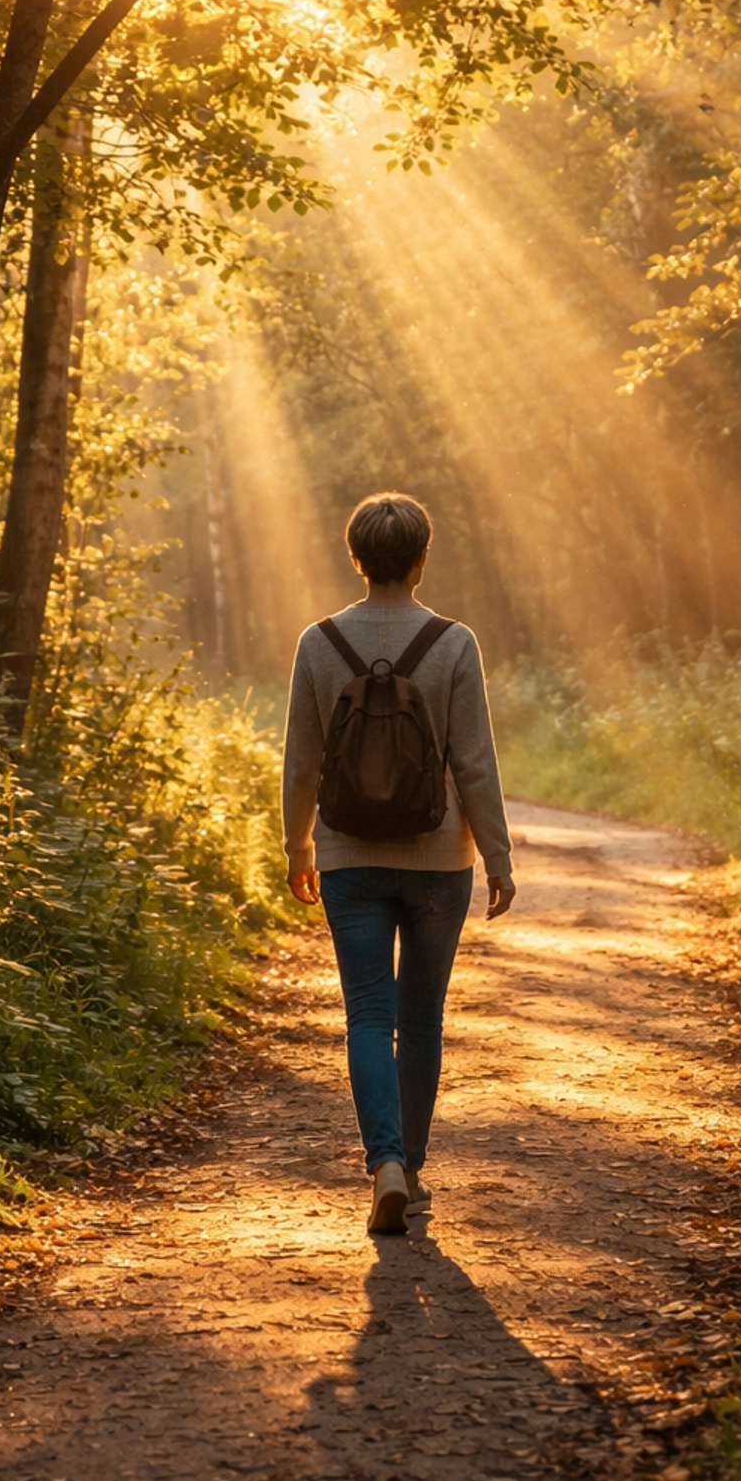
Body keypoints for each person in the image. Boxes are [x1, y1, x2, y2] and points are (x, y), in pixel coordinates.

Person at [282, 491, 516, 1235]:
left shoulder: (318, 643)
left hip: (349, 856)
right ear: (421, 560)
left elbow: (300, 764)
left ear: (356, 558)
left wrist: (298, 847)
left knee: (368, 1016)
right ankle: (410, 1172)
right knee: (420, 1019)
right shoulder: (454, 643)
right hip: (439, 858)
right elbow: (474, 762)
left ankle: (382, 1161)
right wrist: (499, 856)